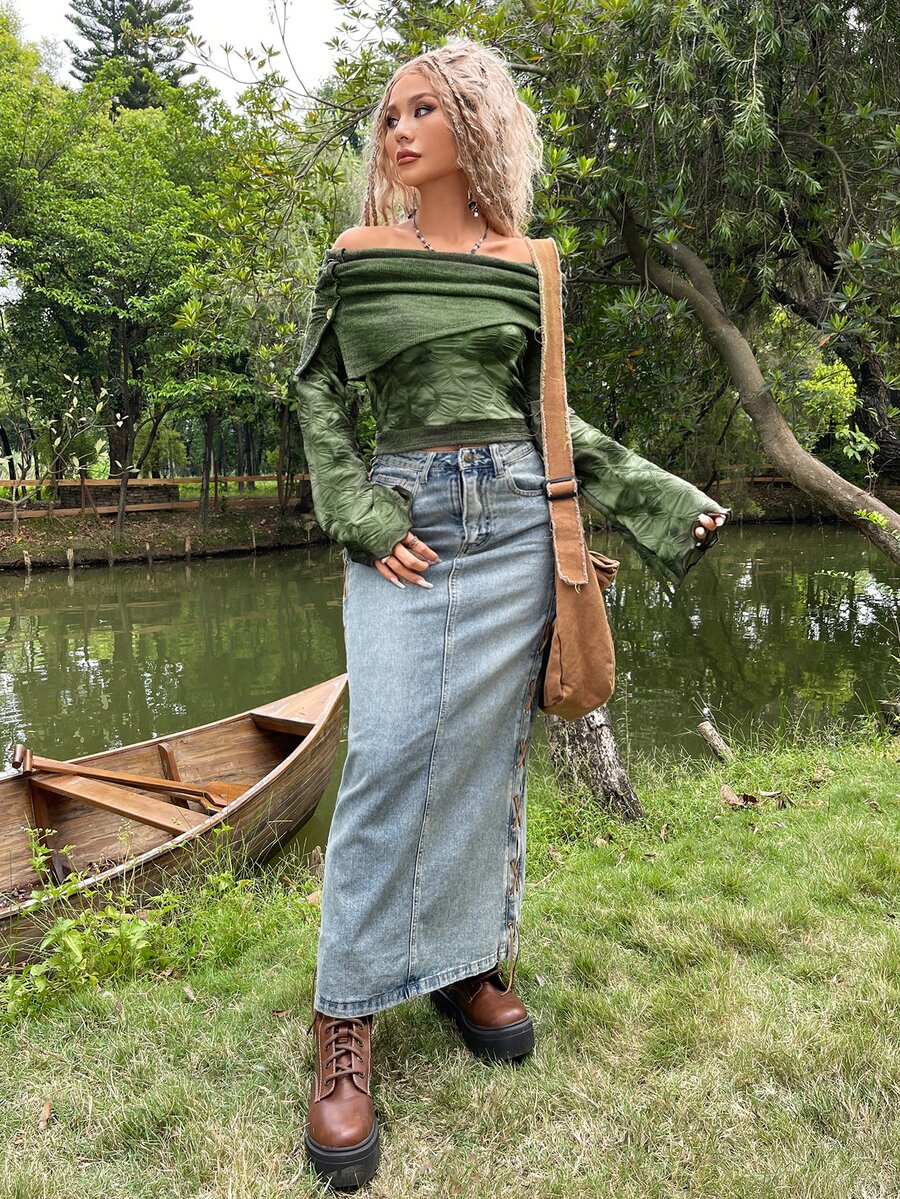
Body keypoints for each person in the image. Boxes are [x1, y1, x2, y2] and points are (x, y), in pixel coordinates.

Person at [291, 39, 729, 1190]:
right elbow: (316, 390)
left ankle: (464, 961)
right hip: (406, 525)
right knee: (389, 753)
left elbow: (550, 418)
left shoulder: (528, 265)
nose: (397, 131)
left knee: (488, 761)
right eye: (389, 114)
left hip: (516, 525)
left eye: (422, 110)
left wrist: (656, 497)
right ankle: (345, 1017)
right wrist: (358, 512)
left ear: (474, 124)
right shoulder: (359, 258)